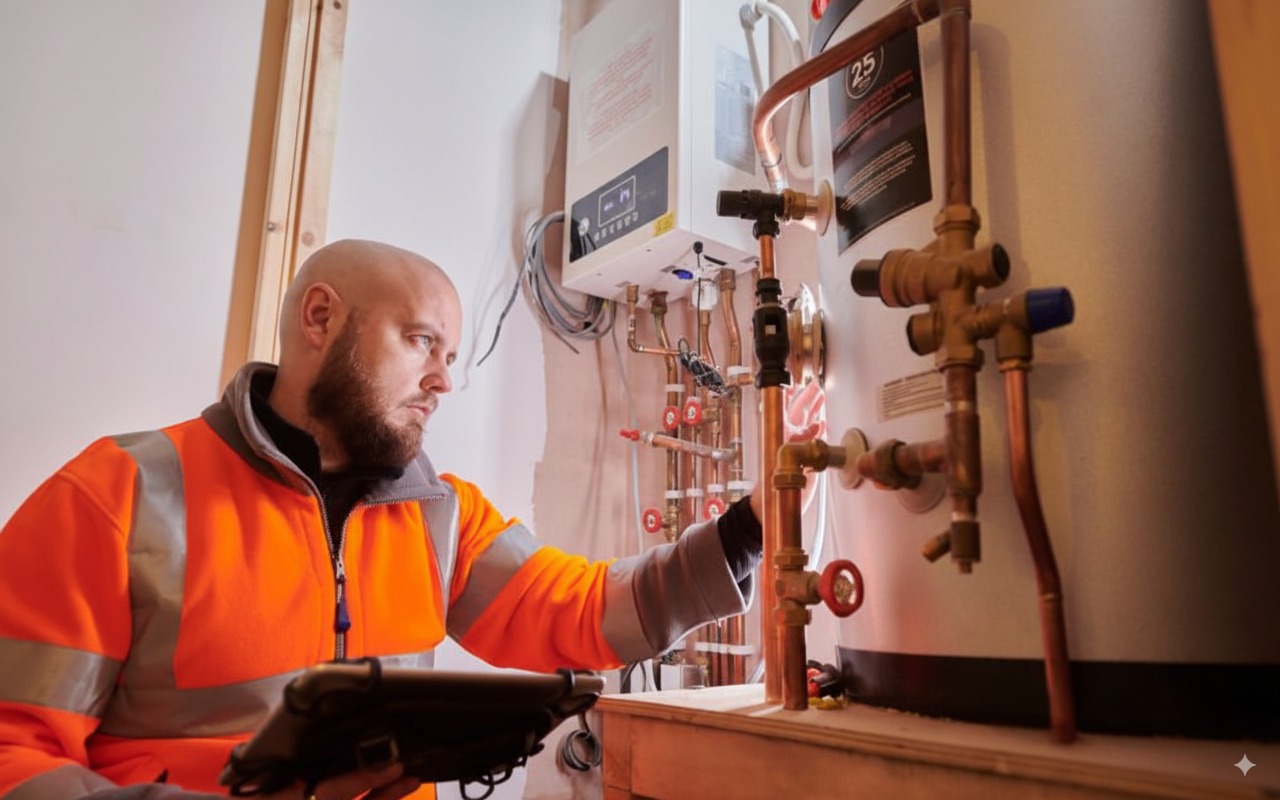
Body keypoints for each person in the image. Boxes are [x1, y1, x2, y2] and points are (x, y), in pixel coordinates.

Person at [0, 240, 765, 800]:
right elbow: (13, 759)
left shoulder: (443, 515)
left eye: (452, 355)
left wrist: (752, 528)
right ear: (321, 317)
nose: (443, 380)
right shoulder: (115, 495)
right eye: (423, 341)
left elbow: (586, 610)